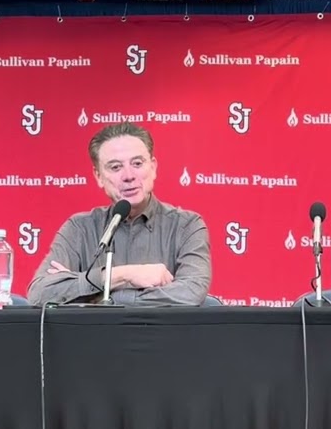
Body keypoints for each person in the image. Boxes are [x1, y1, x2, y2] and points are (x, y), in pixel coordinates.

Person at [27, 123, 212, 306]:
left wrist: (102, 298)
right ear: (98, 176)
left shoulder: (186, 226)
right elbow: (40, 294)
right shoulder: (79, 229)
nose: (128, 176)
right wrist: (123, 275)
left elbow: (191, 292)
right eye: (115, 167)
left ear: (153, 167)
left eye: (137, 163)